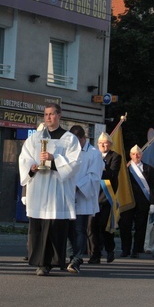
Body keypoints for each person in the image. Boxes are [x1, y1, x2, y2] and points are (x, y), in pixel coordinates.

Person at [19, 104, 82, 276]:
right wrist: (30, 167)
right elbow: (24, 157)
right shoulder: (35, 138)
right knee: (38, 227)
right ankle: (40, 262)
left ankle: (51, 262)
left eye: (52, 114)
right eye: (46, 114)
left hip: (57, 188)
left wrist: (54, 160)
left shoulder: (70, 139)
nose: (48, 117)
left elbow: (75, 163)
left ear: (59, 116)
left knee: (54, 227)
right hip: (39, 187)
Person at [66, 125, 104, 273]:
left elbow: (94, 176)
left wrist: (77, 186)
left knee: (79, 229)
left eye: (77, 142)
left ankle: (77, 258)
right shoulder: (69, 151)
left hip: (82, 196)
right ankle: (71, 256)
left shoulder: (94, 154)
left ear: (84, 138)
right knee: (69, 230)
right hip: (68, 195)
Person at [87, 132, 121, 264]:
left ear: (110, 144)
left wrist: (101, 164)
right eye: (100, 143)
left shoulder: (115, 157)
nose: (102, 145)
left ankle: (109, 249)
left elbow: (111, 174)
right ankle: (95, 254)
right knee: (91, 227)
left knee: (103, 227)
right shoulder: (93, 156)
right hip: (93, 195)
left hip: (106, 196)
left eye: (105, 142)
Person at [119, 145, 154, 258]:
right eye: (134, 154)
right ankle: (125, 249)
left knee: (140, 228)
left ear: (142, 155)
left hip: (143, 203)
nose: (136, 156)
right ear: (130, 155)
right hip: (127, 202)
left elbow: (153, 187)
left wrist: (153, 203)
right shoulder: (125, 169)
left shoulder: (149, 169)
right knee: (125, 226)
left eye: (139, 153)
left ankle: (136, 250)